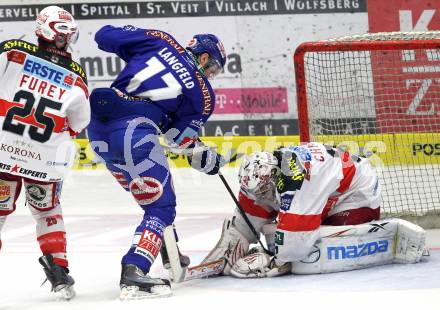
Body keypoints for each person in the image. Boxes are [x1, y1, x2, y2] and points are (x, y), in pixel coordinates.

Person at [87, 25, 226, 299]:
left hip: (97, 128)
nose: (212, 75)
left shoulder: (160, 40)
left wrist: (132, 44)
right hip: (134, 130)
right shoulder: (203, 95)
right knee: (161, 207)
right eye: (214, 69)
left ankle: (167, 249)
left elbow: (102, 35)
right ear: (204, 58)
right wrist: (206, 158)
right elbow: (179, 141)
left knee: (151, 192)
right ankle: (134, 270)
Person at [202, 142, 427, 278]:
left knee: (318, 243)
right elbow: (246, 222)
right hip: (326, 190)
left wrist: (273, 261)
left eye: (262, 191)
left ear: (274, 180)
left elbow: (295, 244)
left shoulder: (298, 181)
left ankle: (384, 240)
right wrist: (228, 248)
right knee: (280, 222)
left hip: (353, 194)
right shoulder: (263, 177)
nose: (257, 197)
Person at [0, 6, 89, 299]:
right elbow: (79, 123)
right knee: (48, 210)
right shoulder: (75, 73)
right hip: (43, 158)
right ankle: (59, 271)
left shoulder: (12, 51)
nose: (66, 40)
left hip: (3, 152)